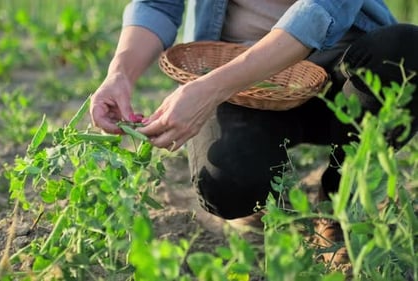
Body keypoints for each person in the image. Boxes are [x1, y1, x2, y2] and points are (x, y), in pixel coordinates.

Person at [90, 0, 418, 262]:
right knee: (229, 181)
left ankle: (340, 204)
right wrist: (120, 73)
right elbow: (159, 5)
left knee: (404, 52)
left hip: (342, 74)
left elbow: (319, 12)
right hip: (239, 81)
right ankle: (264, 200)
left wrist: (208, 90)